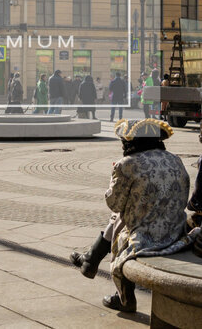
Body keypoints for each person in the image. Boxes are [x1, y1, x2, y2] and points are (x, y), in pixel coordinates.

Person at [70, 118, 189, 313]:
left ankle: (124, 298)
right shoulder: (175, 159)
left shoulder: (127, 164)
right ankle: (90, 260)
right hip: (176, 229)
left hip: (144, 236)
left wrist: (113, 176)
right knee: (122, 217)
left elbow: (114, 204)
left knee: (120, 222)